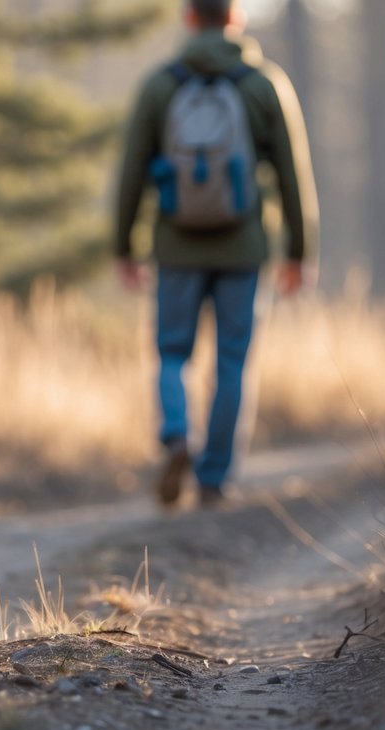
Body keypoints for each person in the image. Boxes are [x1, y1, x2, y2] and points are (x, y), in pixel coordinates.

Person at [114, 0, 317, 507]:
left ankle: (178, 435)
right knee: (232, 361)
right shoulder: (264, 84)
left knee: (172, 354)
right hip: (244, 248)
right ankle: (213, 479)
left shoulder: (161, 85)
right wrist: (299, 250)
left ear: (189, 18)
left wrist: (124, 247)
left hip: (175, 246)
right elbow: (293, 173)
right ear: (236, 18)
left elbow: (132, 170)